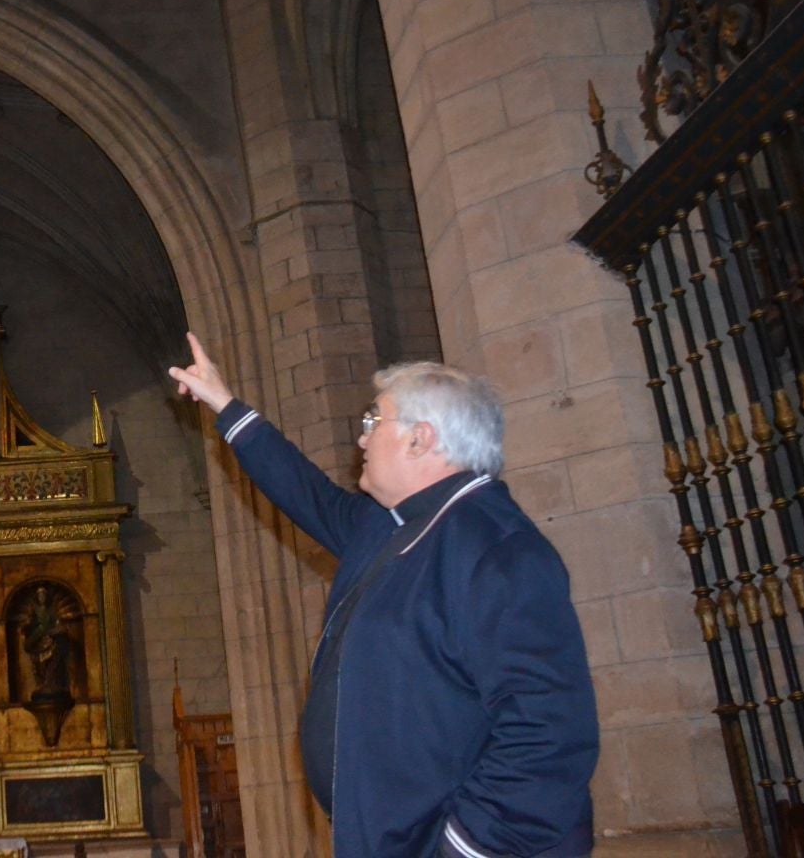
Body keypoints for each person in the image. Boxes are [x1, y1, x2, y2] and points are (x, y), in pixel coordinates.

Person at [170, 333, 597, 858]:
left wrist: (464, 847)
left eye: (374, 423)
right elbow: (308, 493)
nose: (362, 440)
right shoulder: (391, 528)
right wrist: (225, 406)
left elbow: (548, 733)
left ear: (421, 439)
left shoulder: (497, 547)